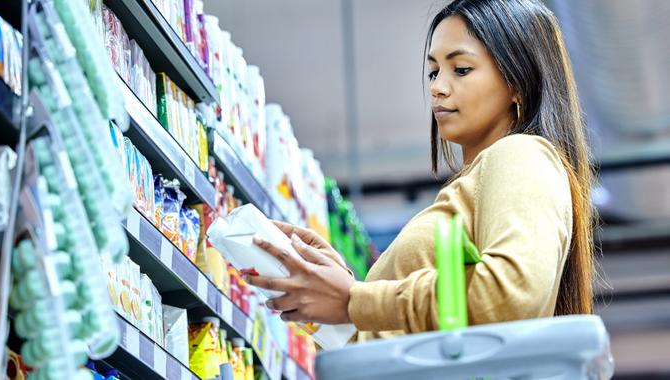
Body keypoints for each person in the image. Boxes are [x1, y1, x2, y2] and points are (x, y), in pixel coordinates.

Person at [244, 0, 597, 343]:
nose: (437, 87)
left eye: (461, 69)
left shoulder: (520, 155)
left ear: (517, 83)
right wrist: (341, 289)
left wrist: (356, 300)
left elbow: (512, 293)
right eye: (434, 71)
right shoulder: (481, 180)